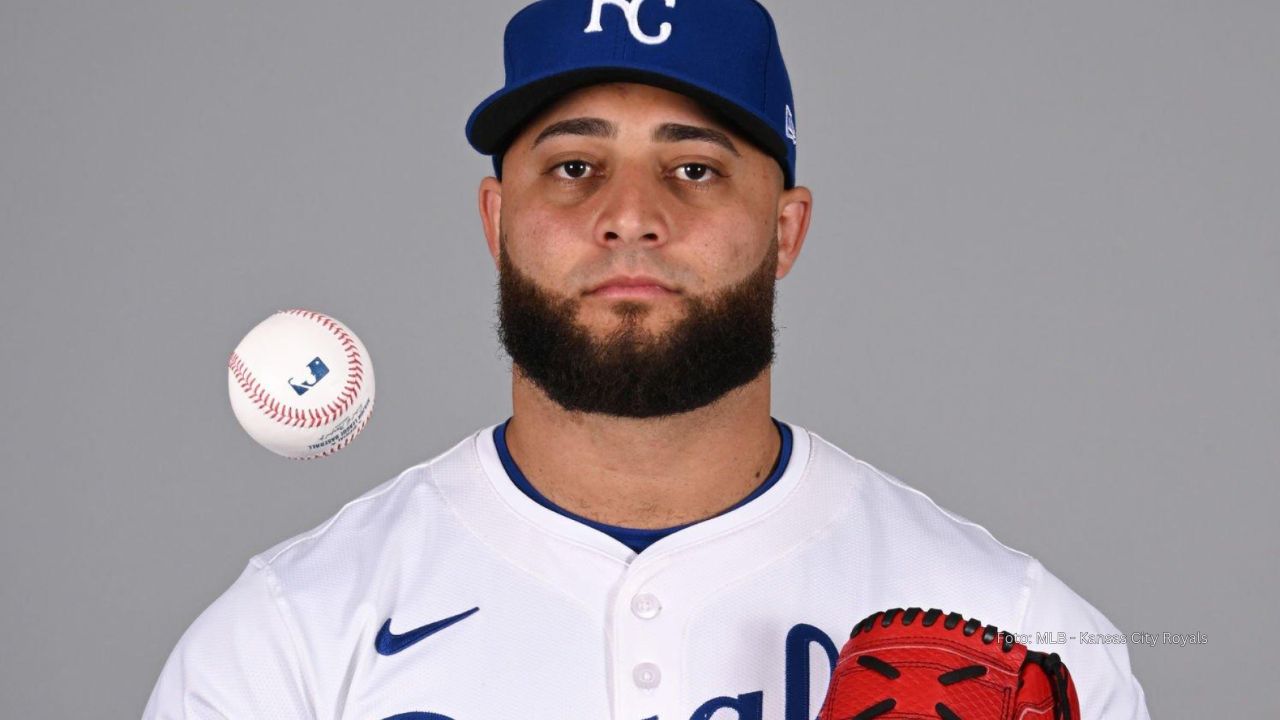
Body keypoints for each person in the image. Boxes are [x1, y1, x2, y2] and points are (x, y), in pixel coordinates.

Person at [143, 1, 1151, 718]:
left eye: (694, 168)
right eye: (573, 166)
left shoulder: (1012, 632)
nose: (629, 215)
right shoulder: (288, 642)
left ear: (784, 229)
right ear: (497, 219)